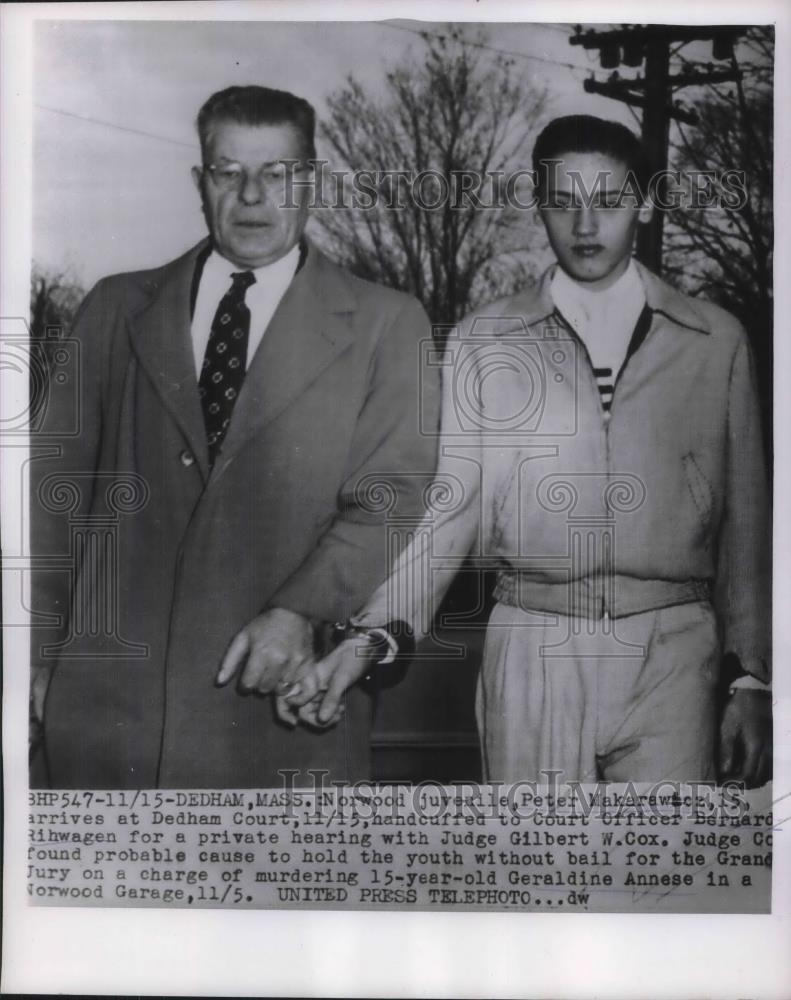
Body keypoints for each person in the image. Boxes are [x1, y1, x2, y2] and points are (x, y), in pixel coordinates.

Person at [286, 115, 772, 787]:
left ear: (644, 202)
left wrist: (751, 678)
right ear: (538, 204)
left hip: (674, 650)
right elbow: (448, 510)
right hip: (532, 640)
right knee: (540, 878)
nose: (584, 225)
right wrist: (373, 634)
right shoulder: (486, 339)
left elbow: (747, 530)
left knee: (663, 881)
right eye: (562, 201)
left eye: (606, 201)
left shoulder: (714, 338)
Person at [30, 85, 439, 788]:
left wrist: (300, 611)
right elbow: (47, 497)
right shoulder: (115, 308)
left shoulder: (386, 323)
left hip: (275, 711)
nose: (252, 196)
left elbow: (389, 496)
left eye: (277, 173)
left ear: (311, 183)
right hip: (108, 719)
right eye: (228, 172)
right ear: (201, 183)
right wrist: (34, 658)